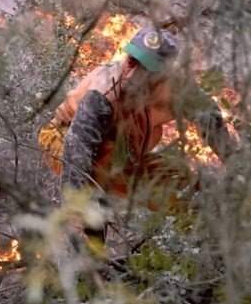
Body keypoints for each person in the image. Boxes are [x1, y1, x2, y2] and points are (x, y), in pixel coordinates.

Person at [39, 26, 235, 204]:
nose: (132, 75)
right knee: (105, 162)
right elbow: (77, 152)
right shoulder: (103, 93)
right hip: (62, 140)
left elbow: (209, 117)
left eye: (146, 71)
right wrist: (78, 213)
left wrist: (235, 165)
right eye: (131, 62)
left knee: (190, 188)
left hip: (126, 155)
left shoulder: (177, 88)